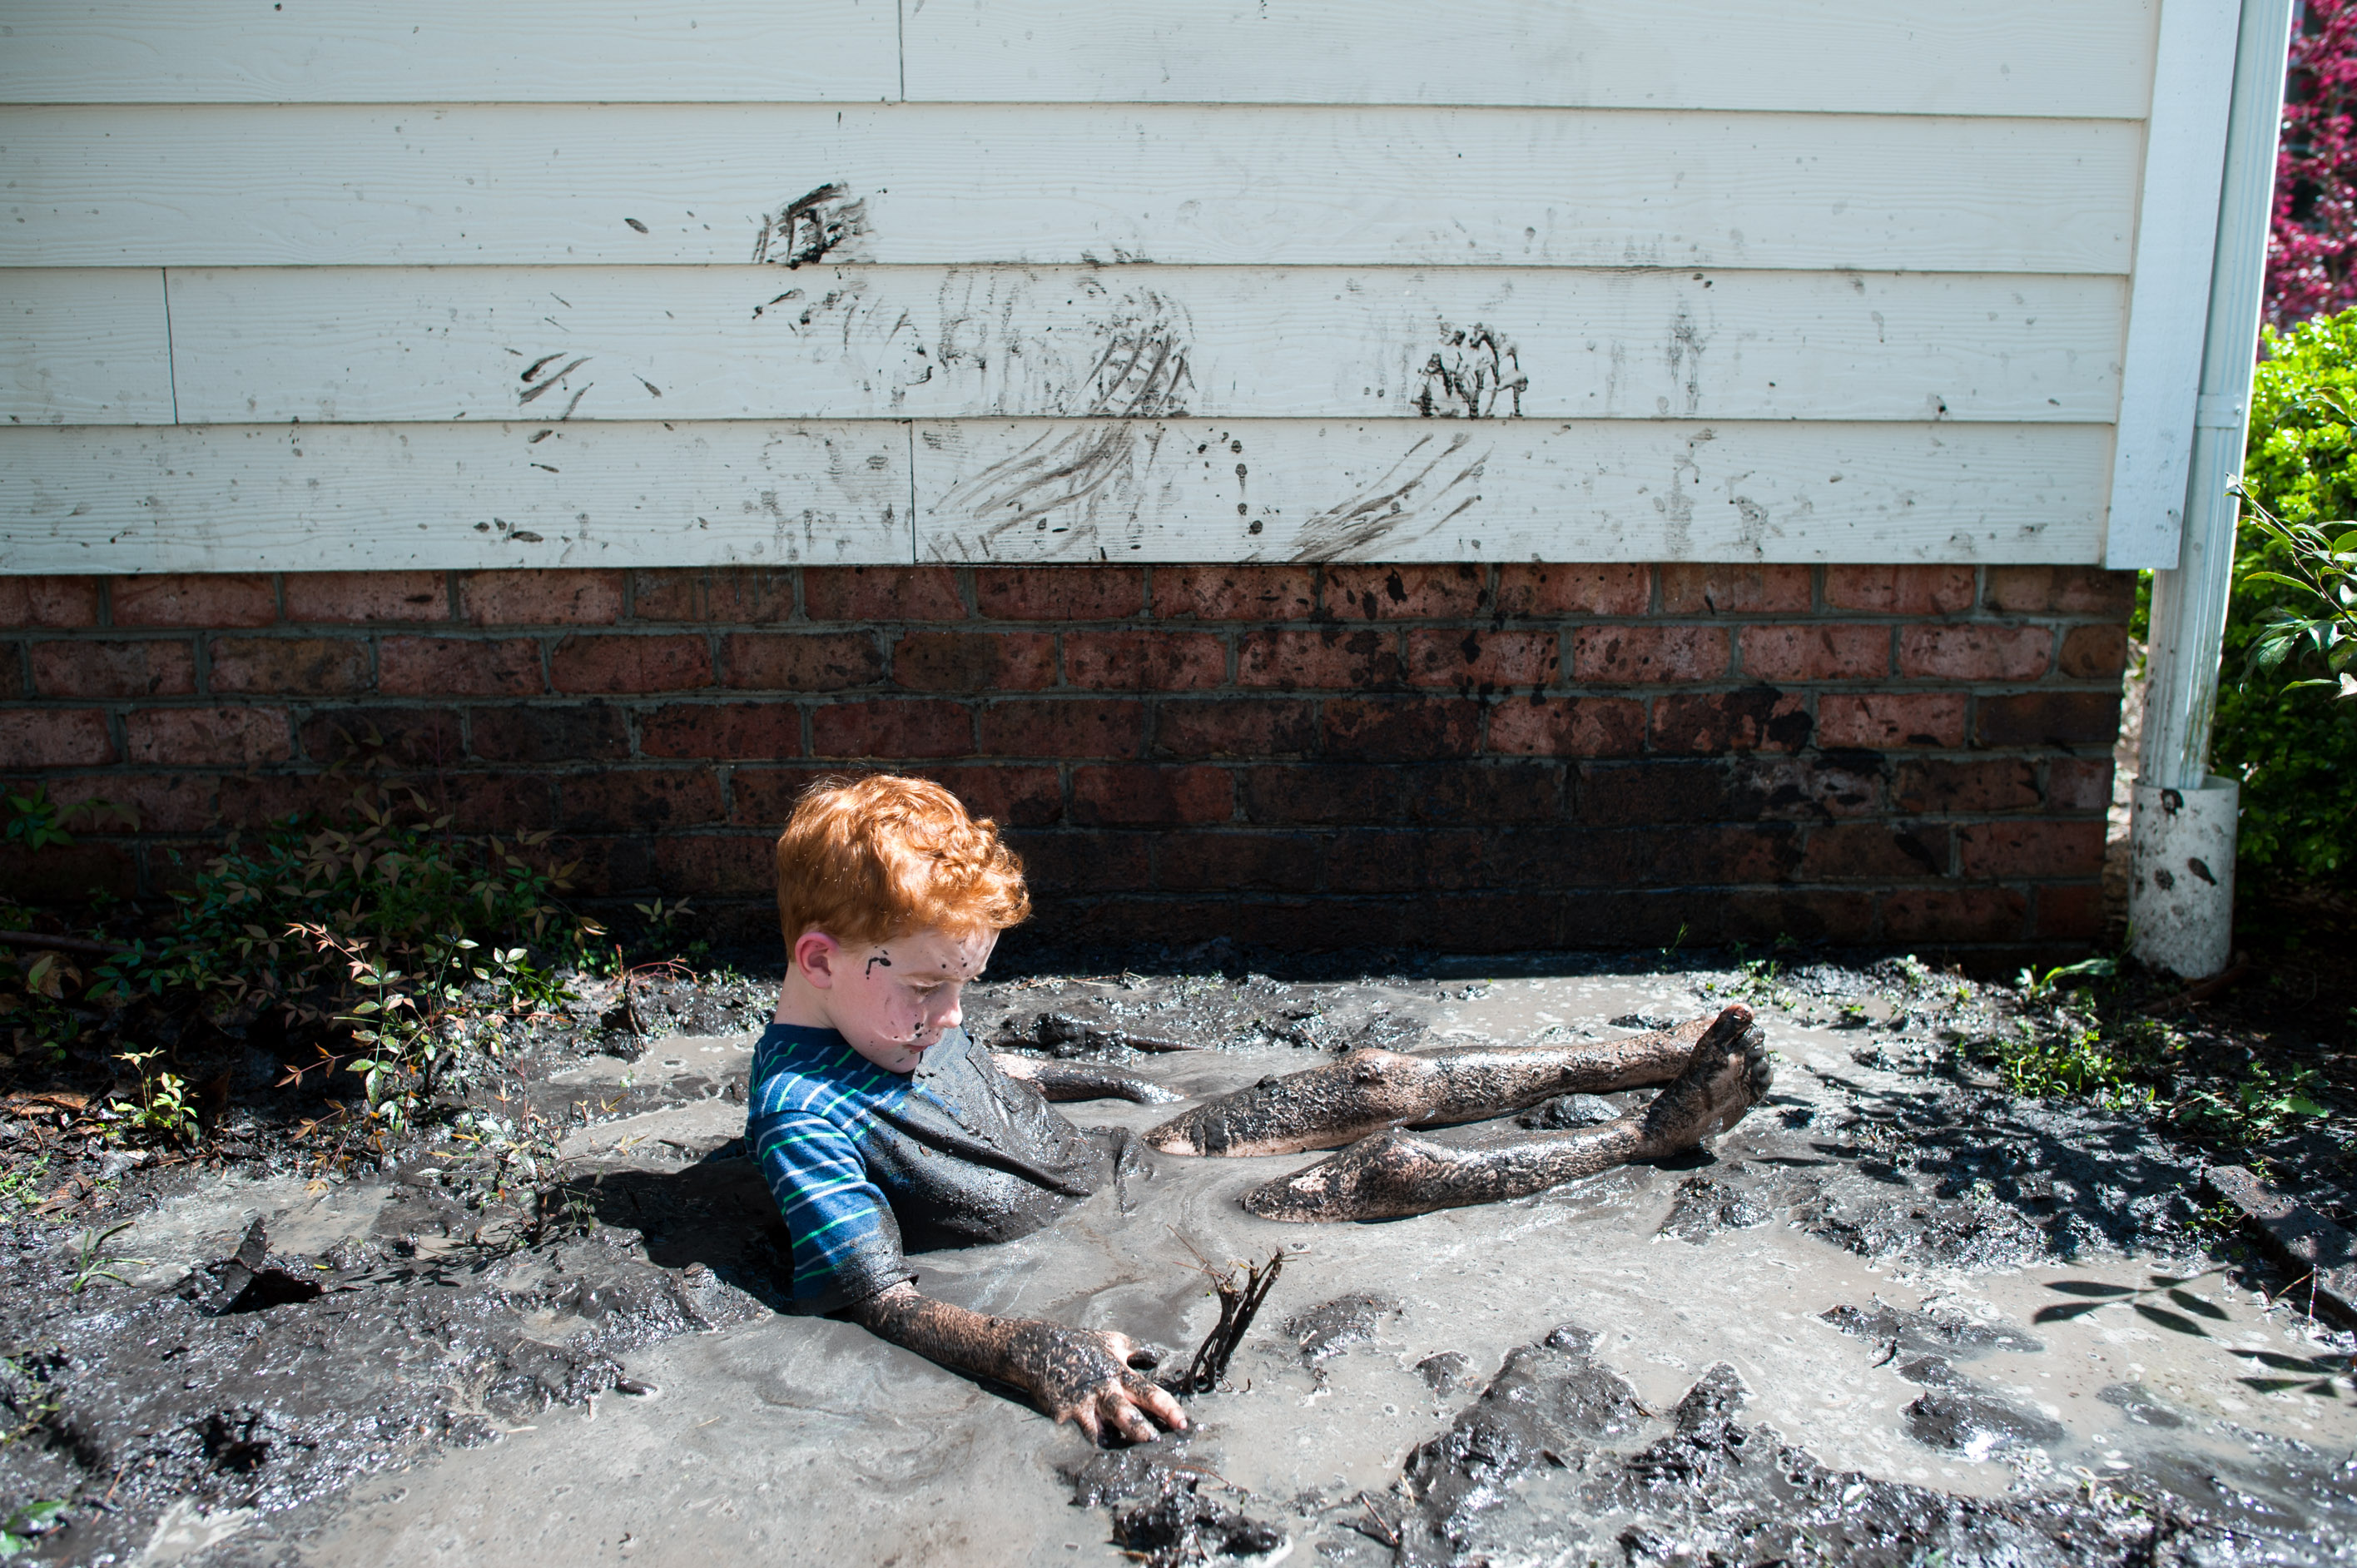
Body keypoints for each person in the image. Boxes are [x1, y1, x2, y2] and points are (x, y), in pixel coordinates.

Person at [749, 774, 1771, 1446]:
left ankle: (1647, 1055)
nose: (951, 1011)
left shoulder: (887, 1012)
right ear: (822, 960)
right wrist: (1034, 1349)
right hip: (1116, 1227)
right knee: (1380, 1171)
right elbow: (874, 1297)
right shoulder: (806, 1114)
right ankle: (1650, 1135)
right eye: (932, 986)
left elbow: (990, 1071)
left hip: (1131, 1159)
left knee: (1373, 1081)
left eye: (964, 983)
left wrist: (1112, 1082)